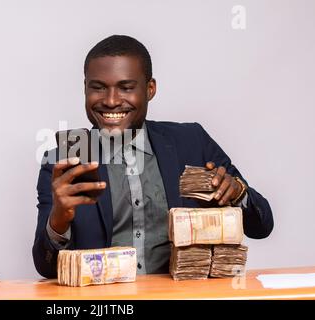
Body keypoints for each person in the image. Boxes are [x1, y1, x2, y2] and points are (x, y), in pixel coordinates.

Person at [33, 35, 273, 278]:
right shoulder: (64, 160)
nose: (111, 101)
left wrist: (237, 193)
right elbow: (46, 268)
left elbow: (262, 226)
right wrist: (58, 221)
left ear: (150, 89)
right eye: (98, 87)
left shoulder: (191, 141)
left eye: (126, 87)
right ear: (85, 88)